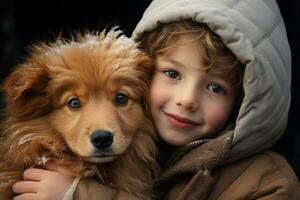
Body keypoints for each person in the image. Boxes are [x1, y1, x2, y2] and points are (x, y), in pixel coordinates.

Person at [12, 0, 300, 199]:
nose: (187, 100)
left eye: (215, 88)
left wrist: (82, 195)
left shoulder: (270, 181)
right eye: (173, 73)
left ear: (244, 101)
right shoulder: (136, 152)